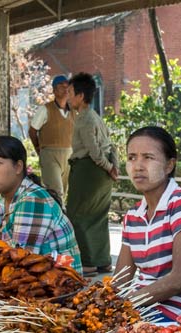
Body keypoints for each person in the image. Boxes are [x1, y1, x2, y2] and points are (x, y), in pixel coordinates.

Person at [115, 126, 181, 321]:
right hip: (139, 311)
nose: (138, 166)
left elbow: (180, 279)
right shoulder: (133, 216)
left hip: (177, 318)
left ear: (169, 165)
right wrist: (101, 301)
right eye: (132, 157)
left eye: (148, 157)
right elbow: (120, 280)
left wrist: (125, 303)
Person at [0, 135, 82, 272]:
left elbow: (19, 261)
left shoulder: (32, 200)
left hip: (58, 279)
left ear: (18, 167)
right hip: (16, 273)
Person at [65, 72, 117, 276]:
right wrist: (112, 167)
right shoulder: (95, 116)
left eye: (70, 93)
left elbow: (93, 150)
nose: (68, 97)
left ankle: (87, 263)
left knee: (76, 215)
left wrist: (108, 167)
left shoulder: (84, 119)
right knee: (98, 217)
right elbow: (110, 145)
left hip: (89, 169)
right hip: (102, 173)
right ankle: (103, 261)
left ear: (80, 96)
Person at [28, 75, 74, 198]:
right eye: (61, 87)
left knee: (64, 191)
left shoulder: (74, 112)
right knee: (55, 191)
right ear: (54, 90)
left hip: (69, 155)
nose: (65, 89)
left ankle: (59, 211)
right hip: (50, 155)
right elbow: (32, 131)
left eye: (67, 87)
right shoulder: (45, 109)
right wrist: (38, 149)